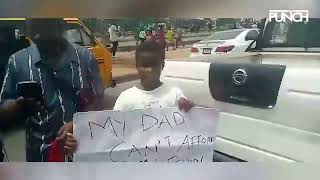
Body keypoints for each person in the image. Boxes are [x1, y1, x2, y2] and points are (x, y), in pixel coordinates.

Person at [0, 18, 105, 162]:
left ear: (59, 26)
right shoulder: (17, 62)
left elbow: (98, 102)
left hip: (82, 153)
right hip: (40, 157)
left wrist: (78, 125)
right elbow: (3, 106)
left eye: (42, 29)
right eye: (32, 29)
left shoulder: (85, 58)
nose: (35, 36)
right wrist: (16, 107)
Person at [113, 41, 193, 111]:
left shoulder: (175, 95)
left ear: (163, 65)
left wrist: (190, 108)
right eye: (145, 65)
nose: (150, 70)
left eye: (154, 65)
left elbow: (191, 119)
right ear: (137, 66)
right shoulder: (125, 99)